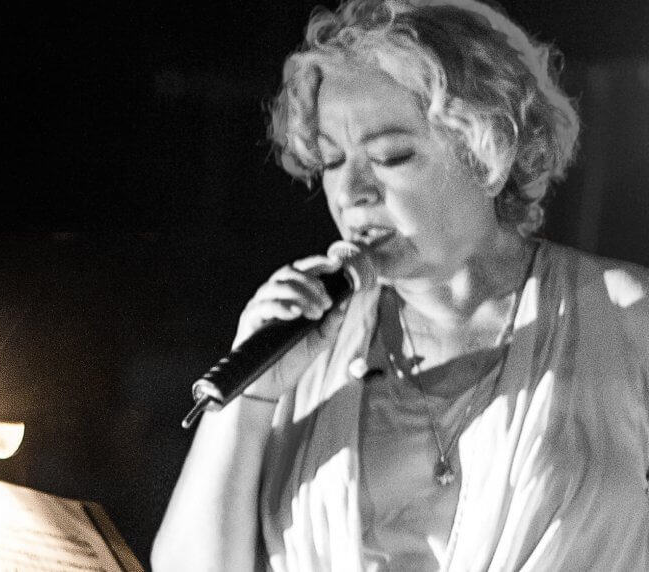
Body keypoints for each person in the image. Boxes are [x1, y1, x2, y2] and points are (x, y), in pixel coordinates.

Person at [152, 0, 649, 569]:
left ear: (487, 151)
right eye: (332, 161)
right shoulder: (303, 348)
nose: (351, 192)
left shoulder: (628, 317)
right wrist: (251, 396)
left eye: (391, 155)